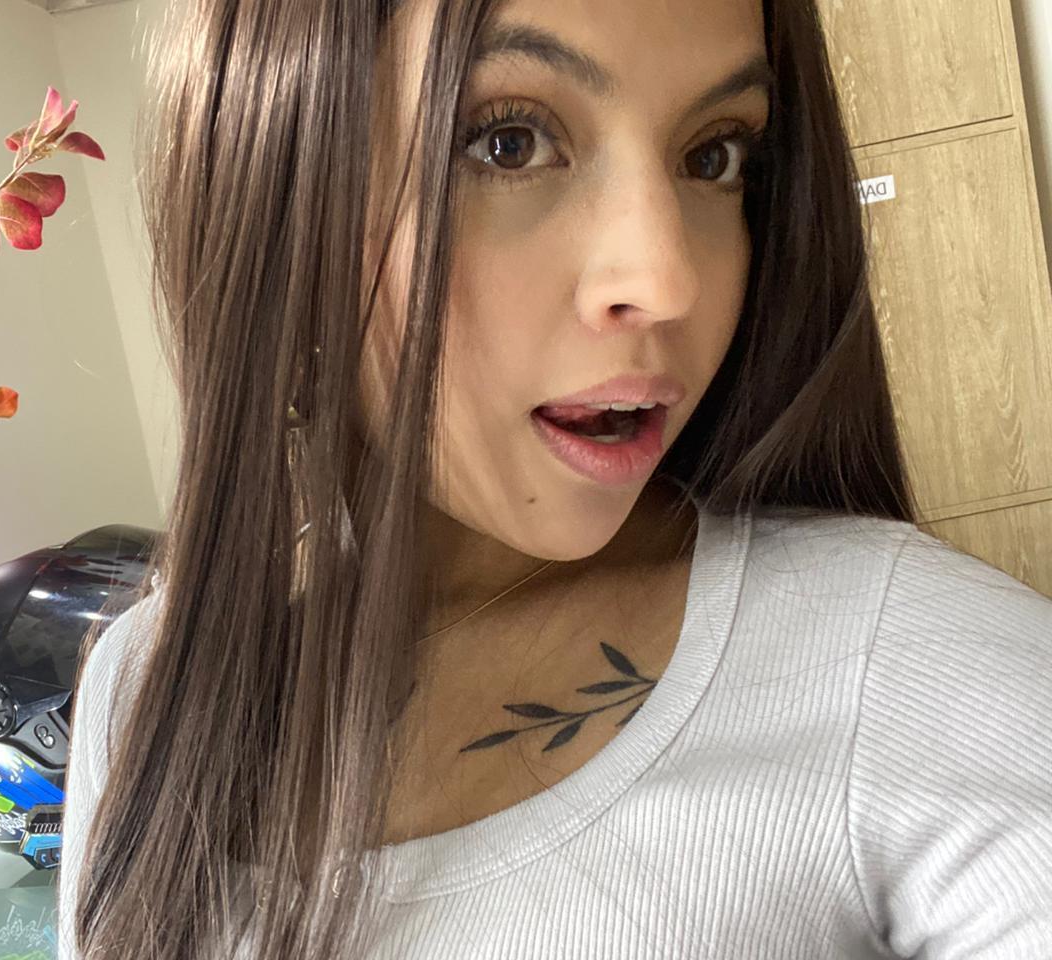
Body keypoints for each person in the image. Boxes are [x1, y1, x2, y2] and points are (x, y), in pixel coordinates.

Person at [57, 0, 1052, 956]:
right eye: (508, 142)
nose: (667, 279)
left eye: (714, 155)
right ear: (278, 184)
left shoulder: (912, 660)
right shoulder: (144, 690)